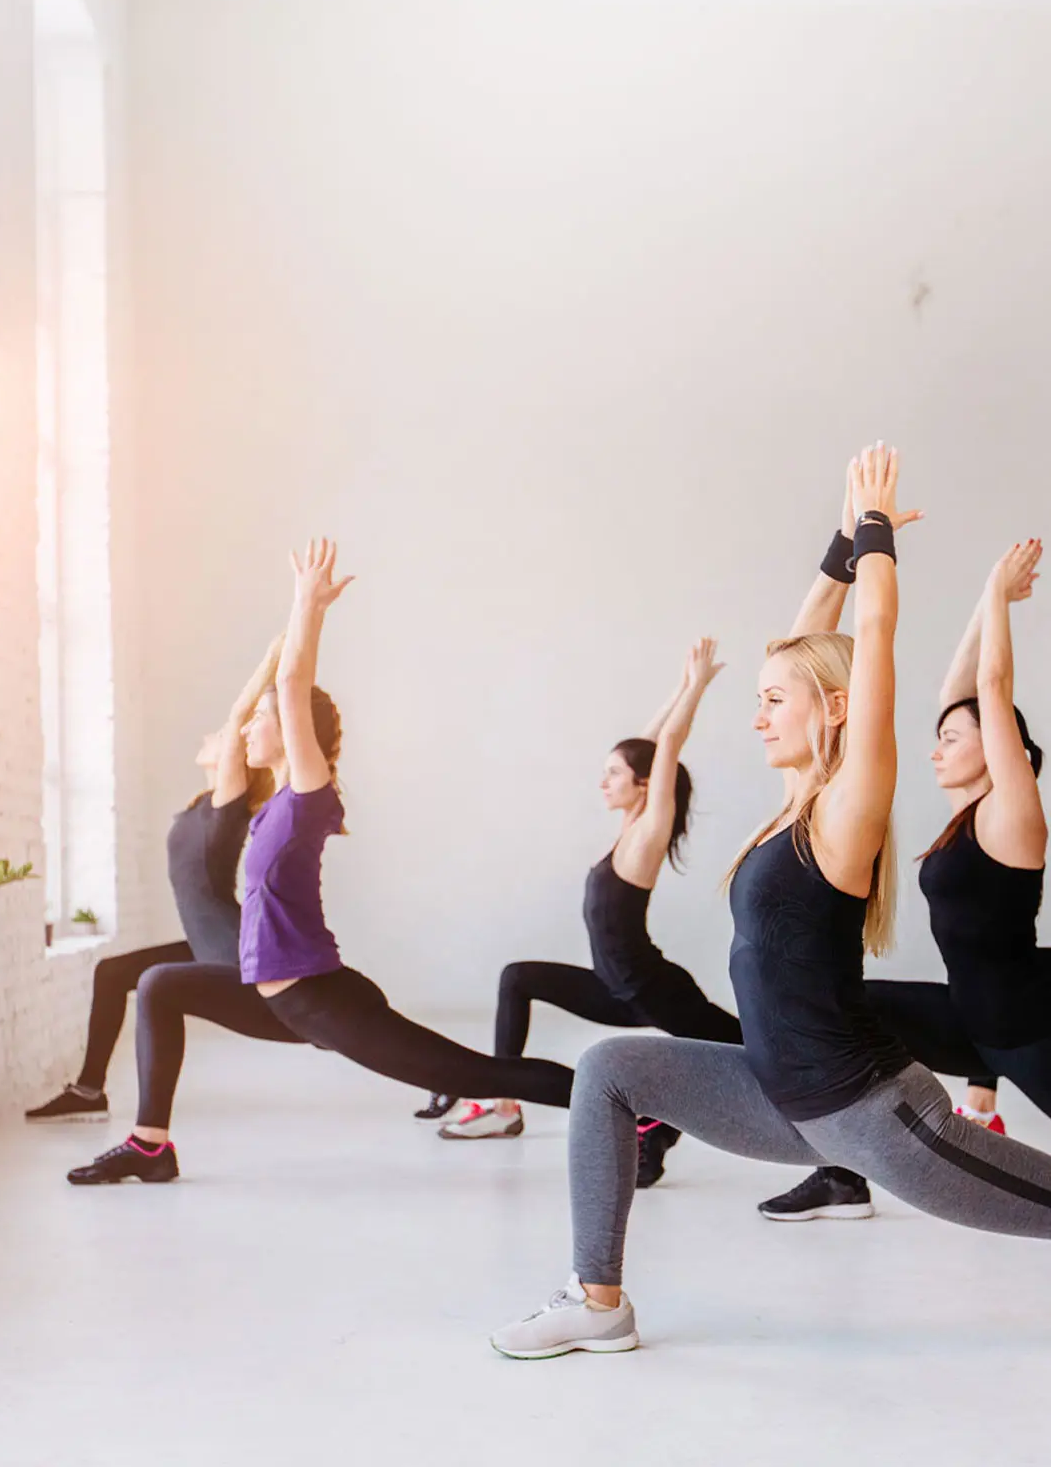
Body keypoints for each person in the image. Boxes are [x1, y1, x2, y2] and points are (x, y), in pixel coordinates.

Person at [490, 445, 1051, 1360]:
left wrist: (874, 533)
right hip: (779, 1097)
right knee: (607, 1069)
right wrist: (837, 544)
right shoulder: (794, 803)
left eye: (772, 702)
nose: (755, 716)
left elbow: (871, 646)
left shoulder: (846, 806)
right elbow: (806, 641)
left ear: (831, 711)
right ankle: (597, 1300)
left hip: (879, 1120)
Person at [68, 540, 575, 1185]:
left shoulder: (308, 796)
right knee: (161, 984)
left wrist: (307, 607)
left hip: (321, 1001)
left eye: (260, 721)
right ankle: (150, 1146)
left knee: (477, 1073)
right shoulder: (275, 803)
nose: (248, 729)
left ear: (290, 728)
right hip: (272, 997)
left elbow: (291, 683)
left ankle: (634, 1105)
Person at [762, 535, 1049, 1221]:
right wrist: (986, 598)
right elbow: (962, 692)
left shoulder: (1015, 815)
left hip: (1025, 1031)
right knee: (851, 1008)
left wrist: (997, 598)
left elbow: (990, 689)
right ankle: (841, 1176)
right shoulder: (965, 811)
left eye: (954, 739)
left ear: (998, 745)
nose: (936, 747)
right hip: (967, 1019)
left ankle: (987, 1088)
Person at [432, 641, 740, 1191]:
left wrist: (696, 688)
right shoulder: (629, 828)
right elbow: (650, 744)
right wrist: (678, 685)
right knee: (517, 977)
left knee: (751, 1050)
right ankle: (506, 1102)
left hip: (651, 990)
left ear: (645, 786)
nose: (603, 781)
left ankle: (662, 1130)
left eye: (614, 773)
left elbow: (663, 746)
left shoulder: (648, 833)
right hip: (612, 987)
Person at [26, 639, 287, 1125]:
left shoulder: (225, 808)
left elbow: (235, 721)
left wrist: (277, 652)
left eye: (223, 737)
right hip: (207, 942)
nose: (213, 736)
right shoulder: (199, 805)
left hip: (228, 948)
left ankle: (441, 1077)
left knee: (324, 1027)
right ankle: (89, 1090)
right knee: (113, 973)